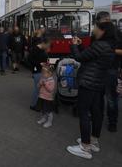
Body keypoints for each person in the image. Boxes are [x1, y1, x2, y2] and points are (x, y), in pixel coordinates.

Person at [67, 22, 116, 160]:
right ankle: (94, 141)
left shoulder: (99, 45)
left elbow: (79, 58)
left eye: (96, 27)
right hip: (98, 82)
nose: (94, 29)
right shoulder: (109, 46)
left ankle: (85, 146)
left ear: (102, 31)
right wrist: (82, 45)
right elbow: (91, 56)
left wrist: (74, 45)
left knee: (83, 112)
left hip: (88, 82)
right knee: (96, 111)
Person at [95, 11, 121, 132]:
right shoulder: (98, 33)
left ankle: (112, 122)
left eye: (98, 21)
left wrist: (109, 51)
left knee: (111, 98)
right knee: (98, 96)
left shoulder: (117, 33)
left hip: (111, 69)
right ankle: (98, 117)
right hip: (98, 69)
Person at [29, 38, 51, 111]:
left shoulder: (42, 50)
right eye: (47, 45)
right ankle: (33, 105)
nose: (48, 47)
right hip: (37, 71)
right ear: (43, 43)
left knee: (40, 88)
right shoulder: (35, 49)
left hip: (42, 71)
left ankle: (37, 104)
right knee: (38, 88)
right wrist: (39, 64)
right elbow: (30, 60)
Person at [37, 63, 56, 128]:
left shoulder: (51, 81)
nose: (43, 74)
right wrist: (40, 83)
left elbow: (50, 90)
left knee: (48, 111)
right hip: (41, 97)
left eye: (44, 73)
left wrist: (45, 84)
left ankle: (49, 122)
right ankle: (43, 118)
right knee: (43, 109)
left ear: (50, 73)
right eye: (42, 73)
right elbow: (38, 86)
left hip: (48, 99)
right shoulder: (43, 78)